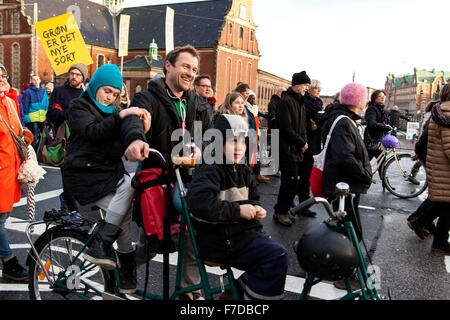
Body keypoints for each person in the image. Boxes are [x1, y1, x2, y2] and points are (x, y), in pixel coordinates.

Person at [120, 45, 211, 300]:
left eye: (194, 69)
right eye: (185, 66)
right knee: (151, 246)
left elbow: (208, 135)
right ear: (168, 66)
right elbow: (133, 121)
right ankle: (123, 265)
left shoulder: (195, 102)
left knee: (193, 229)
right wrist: (136, 138)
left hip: (186, 181)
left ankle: (188, 291)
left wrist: (206, 150)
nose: (190, 73)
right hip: (157, 181)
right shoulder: (148, 97)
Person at [62, 64, 151, 294]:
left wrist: (141, 133)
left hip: (107, 175)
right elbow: (94, 132)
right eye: (106, 91)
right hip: (83, 176)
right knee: (122, 216)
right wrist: (121, 114)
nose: (110, 97)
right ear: (95, 86)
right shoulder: (79, 106)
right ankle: (111, 254)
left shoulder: (114, 111)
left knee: (126, 207)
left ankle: (120, 266)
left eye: (114, 94)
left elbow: (123, 134)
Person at [186, 114, 289, 300]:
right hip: (219, 240)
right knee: (276, 256)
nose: (239, 148)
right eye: (233, 141)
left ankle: (236, 292)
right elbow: (198, 203)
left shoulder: (243, 169)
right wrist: (238, 211)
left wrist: (257, 209)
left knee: (274, 254)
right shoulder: (212, 168)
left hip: (238, 234)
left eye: (243, 142)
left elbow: (254, 198)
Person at [319, 83, 372, 289]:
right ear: (358, 101)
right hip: (344, 186)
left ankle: (313, 249)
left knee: (341, 227)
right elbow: (344, 156)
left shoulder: (342, 118)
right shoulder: (343, 122)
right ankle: (344, 275)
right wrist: (364, 174)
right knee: (351, 232)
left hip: (343, 183)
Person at [273, 71, 313, 226]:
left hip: (296, 148)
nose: (306, 89)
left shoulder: (300, 102)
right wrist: (301, 143)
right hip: (286, 148)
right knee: (289, 181)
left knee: (293, 181)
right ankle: (280, 212)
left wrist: (304, 143)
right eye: (305, 85)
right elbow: (285, 128)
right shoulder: (286, 101)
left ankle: (284, 210)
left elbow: (302, 127)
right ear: (297, 84)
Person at [46, 63, 88, 212]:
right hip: (65, 142)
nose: (74, 77)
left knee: (80, 179)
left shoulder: (86, 94)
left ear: (83, 77)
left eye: (77, 74)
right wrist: (69, 114)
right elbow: (50, 115)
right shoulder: (59, 91)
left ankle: (67, 201)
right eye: (72, 73)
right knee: (69, 179)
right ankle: (71, 210)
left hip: (83, 143)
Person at [0, 63, 28, 281]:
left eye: (3, 75)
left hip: (11, 170)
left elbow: (17, 130)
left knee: (5, 215)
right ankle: (8, 261)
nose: (1, 78)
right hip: (1, 171)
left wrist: (26, 136)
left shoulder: (9, 102)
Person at [420, 84, 450, 253]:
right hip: (445, 169)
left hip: (438, 166)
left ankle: (421, 222)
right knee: (446, 207)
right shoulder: (448, 115)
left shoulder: (438, 113)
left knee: (444, 205)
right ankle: (439, 241)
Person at [22, 74, 49, 150]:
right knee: (34, 137)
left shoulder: (43, 92)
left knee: (44, 136)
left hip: (42, 118)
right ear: (31, 81)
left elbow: (46, 104)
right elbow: (25, 106)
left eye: (37, 79)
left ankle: (40, 152)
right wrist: (26, 118)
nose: (36, 81)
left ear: (40, 80)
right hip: (32, 119)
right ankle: (35, 154)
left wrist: (47, 115)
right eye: (34, 80)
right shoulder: (28, 92)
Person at [363, 90, 392, 162]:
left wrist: (392, 128)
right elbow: (370, 121)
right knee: (365, 163)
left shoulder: (383, 110)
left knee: (382, 163)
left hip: (381, 140)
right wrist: (382, 125)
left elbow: (388, 122)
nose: (383, 98)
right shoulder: (372, 108)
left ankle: (381, 173)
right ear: (374, 98)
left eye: (384, 97)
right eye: (380, 96)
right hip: (372, 140)